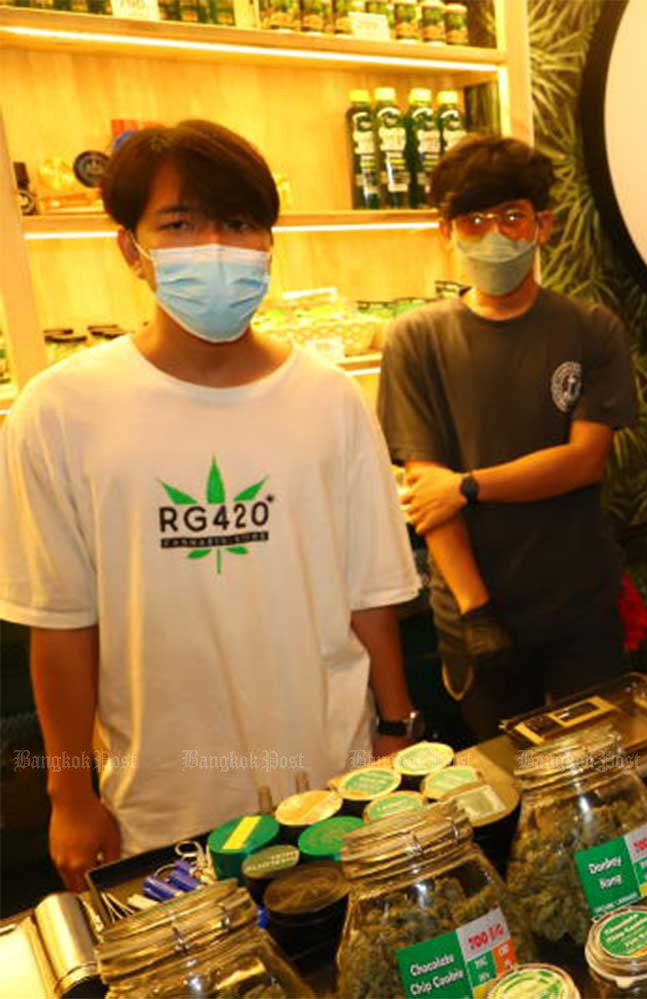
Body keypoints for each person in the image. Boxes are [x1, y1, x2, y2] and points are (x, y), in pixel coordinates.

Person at [0, 121, 422, 887]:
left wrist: (396, 731)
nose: (216, 245)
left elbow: (371, 597)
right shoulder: (60, 410)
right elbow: (60, 627)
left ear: (268, 244)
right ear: (131, 248)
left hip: (331, 784)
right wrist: (68, 791)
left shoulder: (330, 399)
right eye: (181, 223)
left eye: (238, 223)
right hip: (163, 806)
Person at [378, 135, 637, 727]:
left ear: (542, 225)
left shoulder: (591, 329)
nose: (493, 236)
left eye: (512, 218)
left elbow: (583, 461)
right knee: (503, 785)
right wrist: (476, 613)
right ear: (446, 232)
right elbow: (425, 486)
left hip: (581, 607)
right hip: (476, 612)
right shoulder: (416, 339)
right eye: (472, 221)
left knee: (611, 766)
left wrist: (468, 486)